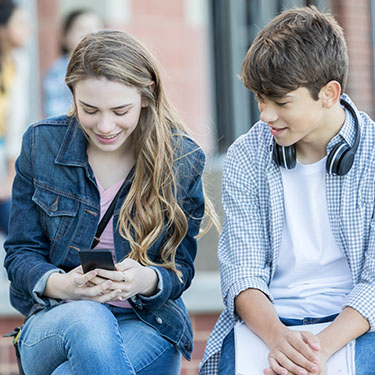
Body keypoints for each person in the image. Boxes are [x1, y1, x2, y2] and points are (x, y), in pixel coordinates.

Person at [4, 29, 218, 375]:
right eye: (89, 109)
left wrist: (143, 280)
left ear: (147, 96)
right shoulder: (40, 145)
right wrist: (64, 285)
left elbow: (180, 268)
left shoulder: (182, 159)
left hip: (147, 323)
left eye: (120, 110)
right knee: (90, 315)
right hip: (55, 322)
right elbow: (20, 253)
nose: (105, 126)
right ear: (72, 94)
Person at [200, 6, 375, 375]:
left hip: (355, 326)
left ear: (328, 93)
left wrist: (317, 352)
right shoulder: (247, 156)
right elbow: (242, 271)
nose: (265, 114)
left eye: (281, 102)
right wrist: (279, 339)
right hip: (269, 326)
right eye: (260, 98)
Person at [0, 0, 30, 235]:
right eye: (19, 22)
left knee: (14, 221)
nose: (27, 29)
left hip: (5, 156)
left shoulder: (18, 62)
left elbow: (16, 121)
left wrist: (11, 170)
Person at [43, 9, 104, 117]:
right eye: (82, 29)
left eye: (96, 28)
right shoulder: (56, 73)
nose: (90, 34)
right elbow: (55, 115)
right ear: (66, 37)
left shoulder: (110, 68)